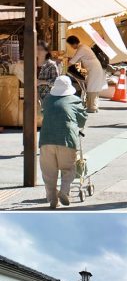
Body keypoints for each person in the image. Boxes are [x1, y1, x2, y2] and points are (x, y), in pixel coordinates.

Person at [39, 76, 88, 208]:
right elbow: (83, 119)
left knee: (49, 172)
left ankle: (53, 199)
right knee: (68, 169)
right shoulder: (74, 100)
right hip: (67, 139)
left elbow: (43, 113)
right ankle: (64, 191)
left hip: (46, 139)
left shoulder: (47, 99)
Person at [66, 35, 106, 113]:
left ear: (74, 43)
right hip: (93, 69)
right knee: (93, 87)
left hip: (94, 69)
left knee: (92, 87)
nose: (71, 47)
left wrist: (64, 67)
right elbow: (78, 60)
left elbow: (73, 61)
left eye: (71, 45)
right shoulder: (83, 47)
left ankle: (92, 107)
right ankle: (93, 106)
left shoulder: (82, 49)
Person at [37, 40, 59, 106]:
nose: (38, 51)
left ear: (46, 51)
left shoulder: (51, 65)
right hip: (33, 97)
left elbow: (56, 83)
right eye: (37, 49)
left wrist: (42, 82)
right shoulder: (32, 63)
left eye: (40, 49)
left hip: (46, 98)